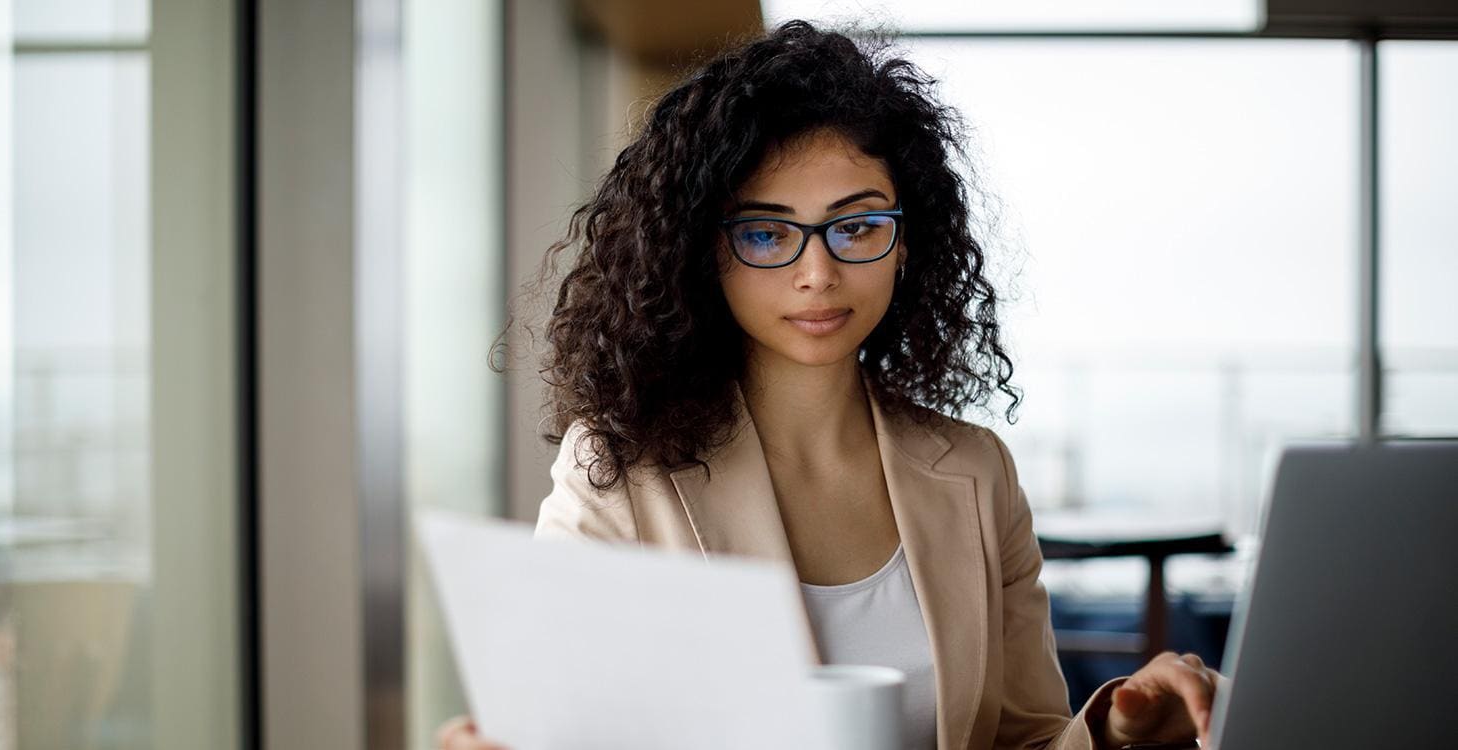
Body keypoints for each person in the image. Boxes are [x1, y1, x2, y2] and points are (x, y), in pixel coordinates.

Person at [439, 19, 1223, 750]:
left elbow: (1022, 738)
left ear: (906, 241)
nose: (818, 274)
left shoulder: (978, 473)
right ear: (702, 253)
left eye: (855, 226)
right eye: (766, 233)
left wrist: (1115, 730)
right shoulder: (617, 470)